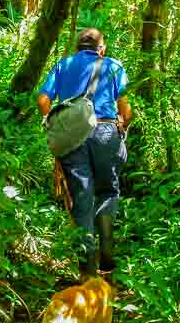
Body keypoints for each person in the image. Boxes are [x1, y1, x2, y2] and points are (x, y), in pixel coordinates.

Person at [37, 28, 133, 277]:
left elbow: (43, 101)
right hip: (106, 132)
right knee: (108, 191)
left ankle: (87, 271)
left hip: (73, 137)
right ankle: (107, 260)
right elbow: (126, 110)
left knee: (81, 198)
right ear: (101, 49)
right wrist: (123, 123)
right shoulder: (113, 65)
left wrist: (52, 121)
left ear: (77, 48)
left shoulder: (64, 64)